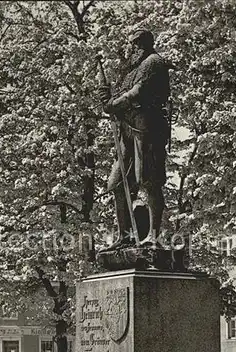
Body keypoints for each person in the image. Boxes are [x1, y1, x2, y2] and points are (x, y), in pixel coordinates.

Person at [99, 29, 171, 249]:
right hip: (127, 131)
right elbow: (122, 94)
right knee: (117, 184)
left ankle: (154, 237)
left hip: (146, 130)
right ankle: (125, 236)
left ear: (142, 44)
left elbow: (137, 93)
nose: (130, 49)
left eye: (133, 44)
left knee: (148, 181)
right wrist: (109, 101)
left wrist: (115, 104)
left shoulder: (153, 62)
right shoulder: (132, 70)